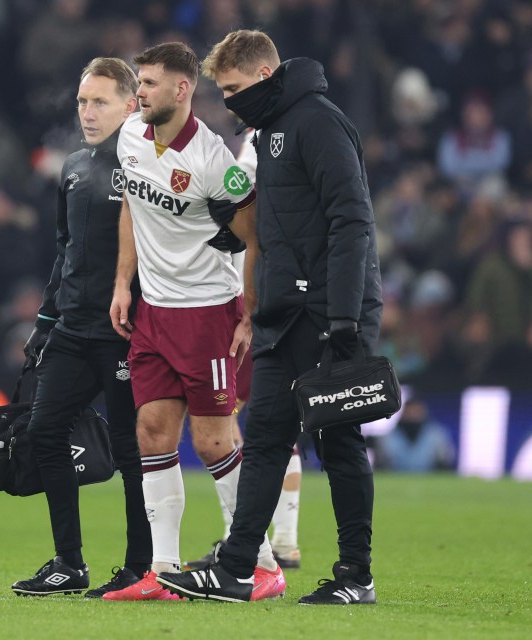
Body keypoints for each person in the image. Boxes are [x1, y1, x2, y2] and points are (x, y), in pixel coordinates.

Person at [157, 29, 383, 605]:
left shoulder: (318, 122)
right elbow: (276, 232)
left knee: (338, 442)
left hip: (328, 312)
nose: (228, 101)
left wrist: (345, 320)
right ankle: (236, 568)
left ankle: (356, 576)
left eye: (232, 89)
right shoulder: (274, 129)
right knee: (263, 440)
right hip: (284, 311)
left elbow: (352, 221)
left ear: (262, 76)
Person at [104, 42, 285, 602]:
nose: (139, 92)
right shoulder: (131, 135)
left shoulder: (216, 163)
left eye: (151, 83)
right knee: (152, 434)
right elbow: (131, 206)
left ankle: (262, 563)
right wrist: (122, 284)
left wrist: (247, 312)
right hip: (153, 312)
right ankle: (162, 573)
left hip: (208, 312)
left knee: (211, 442)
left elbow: (254, 239)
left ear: (182, 90)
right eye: (139, 82)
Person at [10, 57, 152, 598]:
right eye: (82, 103)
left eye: (100, 102)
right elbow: (65, 253)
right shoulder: (71, 168)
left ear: (130, 104)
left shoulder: (149, 168)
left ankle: (141, 564)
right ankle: (69, 562)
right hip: (73, 328)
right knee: (44, 433)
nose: (87, 113)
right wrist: (45, 323)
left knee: (130, 450)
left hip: (124, 330)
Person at [184, 128, 302, 573]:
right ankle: (285, 540)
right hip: (278, 305)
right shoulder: (292, 171)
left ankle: (241, 538)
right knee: (277, 429)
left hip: (238, 311)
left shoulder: (245, 164)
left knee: (223, 428)